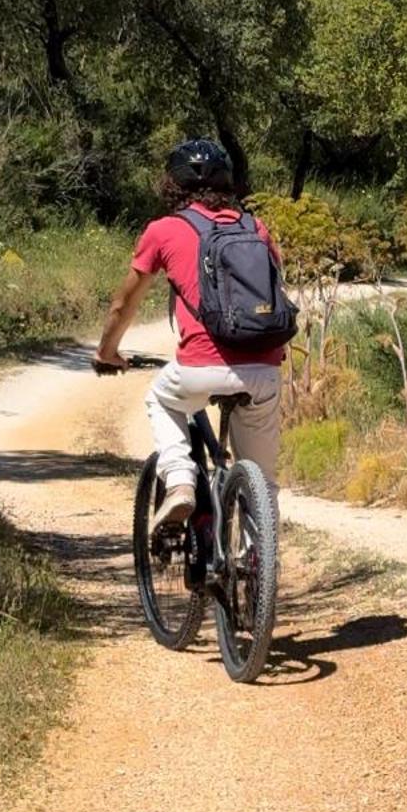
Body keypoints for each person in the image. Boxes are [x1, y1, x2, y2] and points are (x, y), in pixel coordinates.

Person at [92, 138, 287, 526]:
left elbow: (123, 305)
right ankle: (258, 568)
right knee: (261, 483)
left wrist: (106, 352)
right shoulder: (257, 227)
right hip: (264, 369)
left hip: (199, 366)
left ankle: (180, 481)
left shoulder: (163, 231)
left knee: (161, 400)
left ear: (173, 184)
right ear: (228, 182)